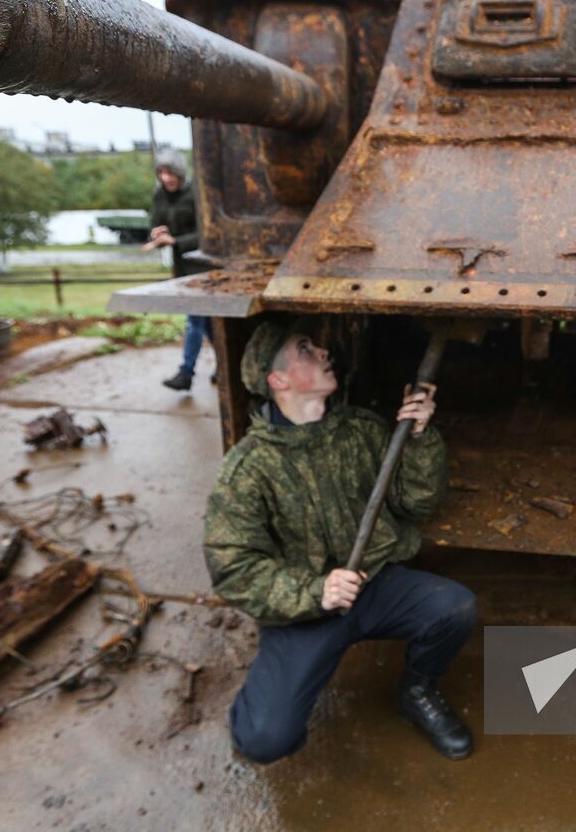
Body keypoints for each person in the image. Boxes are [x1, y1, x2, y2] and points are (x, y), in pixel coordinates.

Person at [203, 319, 477, 763]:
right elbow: (233, 570)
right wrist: (317, 591)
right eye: (304, 349)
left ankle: (417, 691)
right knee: (263, 740)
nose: (323, 352)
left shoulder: (360, 429)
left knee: (455, 608)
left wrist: (419, 437)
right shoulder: (247, 469)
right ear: (278, 380)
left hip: (373, 585)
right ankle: (270, 696)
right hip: (305, 610)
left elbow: (416, 503)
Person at [144, 148, 212, 391]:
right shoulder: (159, 196)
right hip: (182, 268)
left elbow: (206, 233)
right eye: (161, 173)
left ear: (180, 173)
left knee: (194, 320)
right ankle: (226, 366)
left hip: (202, 267)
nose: (166, 178)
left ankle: (186, 373)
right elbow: (156, 221)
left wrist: (175, 241)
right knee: (208, 322)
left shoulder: (196, 195)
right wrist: (157, 233)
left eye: (170, 173)